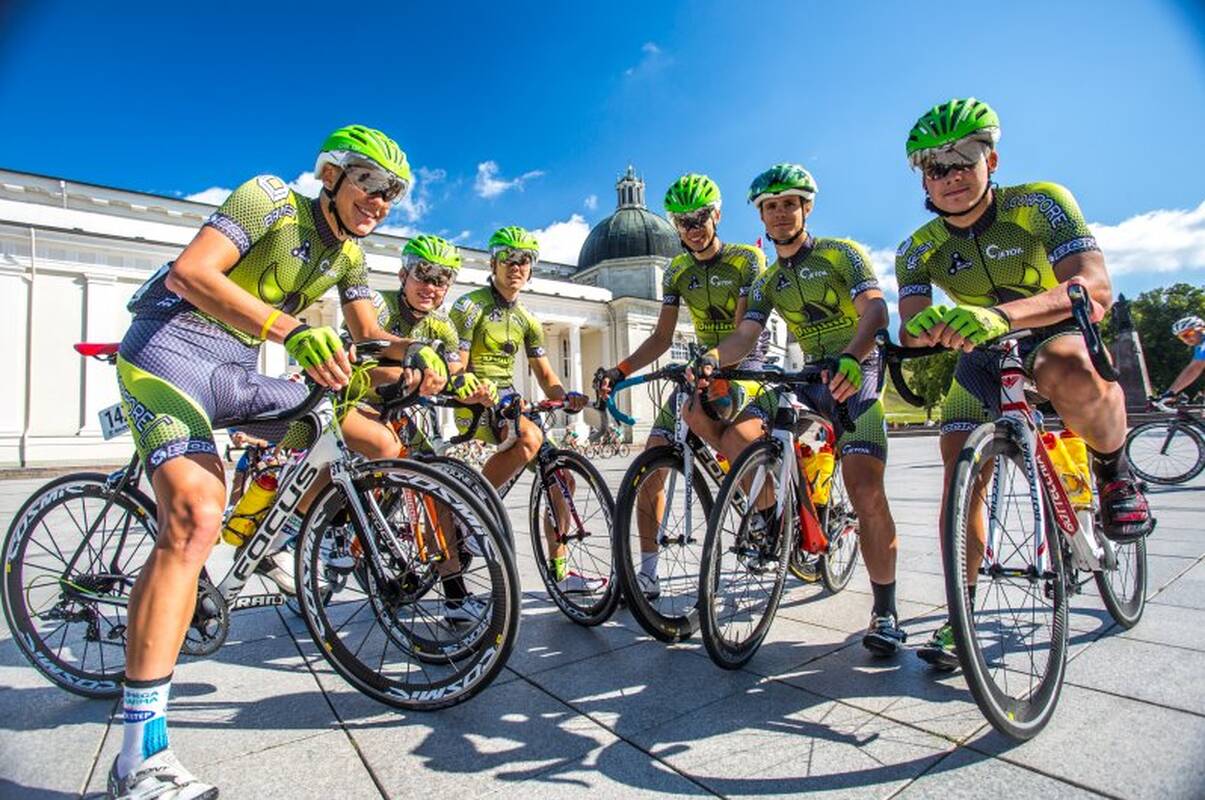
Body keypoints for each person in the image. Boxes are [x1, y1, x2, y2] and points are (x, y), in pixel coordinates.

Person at [108, 125, 445, 800]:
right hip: (166, 355)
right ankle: (138, 757)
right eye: (369, 182)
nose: (380, 200)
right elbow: (189, 273)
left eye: (393, 192)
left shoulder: (350, 256)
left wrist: (417, 355)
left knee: (369, 438)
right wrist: (291, 330)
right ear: (332, 176)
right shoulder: (268, 198)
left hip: (234, 370)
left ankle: (275, 535)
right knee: (194, 516)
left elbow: (368, 337)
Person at [893, 98, 1154, 669]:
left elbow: (1093, 287)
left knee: (1068, 365)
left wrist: (1003, 316)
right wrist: (927, 327)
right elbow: (910, 327)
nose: (951, 175)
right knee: (959, 472)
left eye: (964, 159)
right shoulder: (918, 247)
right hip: (980, 354)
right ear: (924, 179)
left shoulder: (1039, 203)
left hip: (1052, 330)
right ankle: (959, 613)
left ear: (991, 160)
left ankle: (1114, 470)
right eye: (936, 167)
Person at [696, 163, 907, 654]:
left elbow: (876, 311)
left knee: (864, 489)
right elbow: (745, 335)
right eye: (771, 207)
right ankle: (774, 517)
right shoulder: (769, 280)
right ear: (761, 216)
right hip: (808, 375)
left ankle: (885, 612)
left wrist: (851, 356)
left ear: (806, 207)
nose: (780, 213)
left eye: (789, 204)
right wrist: (710, 358)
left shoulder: (840, 253)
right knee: (736, 435)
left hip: (857, 369)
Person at [597, 173, 766, 599]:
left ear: (717, 215)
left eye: (699, 218)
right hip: (700, 370)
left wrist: (713, 360)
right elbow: (660, 338)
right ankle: (648, 572)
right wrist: (620, 370)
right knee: (651, 463)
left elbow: (744, 333)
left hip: (742, 365)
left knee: (731, 435)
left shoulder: (746, 259)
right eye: (683, 222)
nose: (692, 229)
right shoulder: (677, 270)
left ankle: (764, 512)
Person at [448, 225, 592, 594]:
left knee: (562, 480)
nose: (516, 266)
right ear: (493, 263)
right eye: (508, 259)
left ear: (531, 268)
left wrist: (566, 396)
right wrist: (473, 387)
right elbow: (457, 366)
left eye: (524, 260)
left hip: (509, 402)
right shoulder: (470, 306)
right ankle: (471, 513)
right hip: (475, 400)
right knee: (529, 436)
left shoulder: (527, 319)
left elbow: (545, 374)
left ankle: (560, 572)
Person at [1158, 315, 1205, 401]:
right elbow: (1194, 369)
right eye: (1181, 337)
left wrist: (1171, 392)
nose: (1185, 339)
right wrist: (1171, 392)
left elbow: (1195, 368)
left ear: (1200, 329)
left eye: (1187, 334)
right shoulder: (1200, 346)